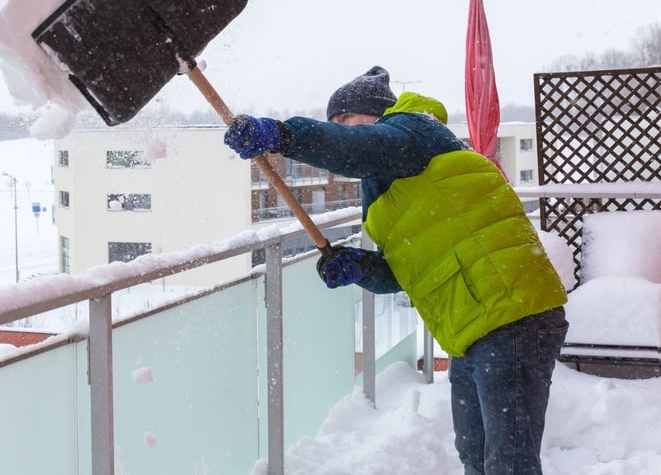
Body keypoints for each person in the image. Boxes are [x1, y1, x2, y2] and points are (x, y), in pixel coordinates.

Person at [224, 66, 568, 474]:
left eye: (347, 120)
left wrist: (284, 135)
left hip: (511, 311)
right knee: (474, 453)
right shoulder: (386, 186)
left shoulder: (413, 130)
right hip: (471, 323)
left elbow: (355, 148)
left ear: (376, 115)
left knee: (509, 462)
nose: (342, 129)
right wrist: (361, 268)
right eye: (335, 123)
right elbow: (403, 269)